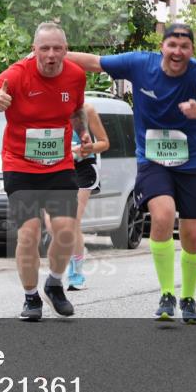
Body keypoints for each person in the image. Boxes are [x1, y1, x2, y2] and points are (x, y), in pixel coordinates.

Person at [66, 23, 196, 324]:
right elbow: (95, 63)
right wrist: (55, 54)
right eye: (172, 45)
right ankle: (166, 294)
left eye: (184, 47)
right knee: (162, 216)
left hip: (194, 161)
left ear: (191, 51)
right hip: (153, 158)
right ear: (162, 46)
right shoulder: (140, 63)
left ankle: (188, 297)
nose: (177, 51)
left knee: (192, 235)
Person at [0, 22, 90, 321]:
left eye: (57, 49)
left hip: (59, 165)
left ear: (65, 49)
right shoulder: (16, 75)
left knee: (64, 231)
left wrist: (83, 133)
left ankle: (55, 284)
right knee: (29, 233)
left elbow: (76, 110)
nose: (51, 55)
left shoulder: (75, 76)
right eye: (44, 48)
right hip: (20, 166)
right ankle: (31, 297)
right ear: (34, 49)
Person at [65, 102, 110, 290]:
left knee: (72, 221)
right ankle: (74, 254)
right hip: (57, 167)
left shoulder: (87, 109)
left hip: (83, 168)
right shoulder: (49, 104)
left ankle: (76, 273)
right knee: (52, 225)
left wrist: (88, 148)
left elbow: (104, 143)